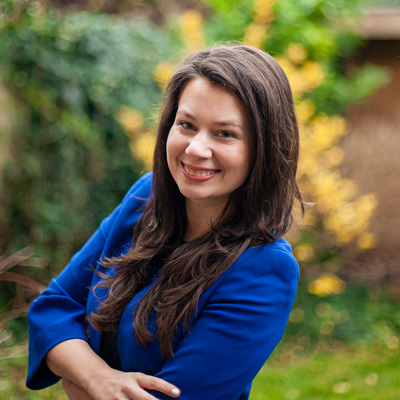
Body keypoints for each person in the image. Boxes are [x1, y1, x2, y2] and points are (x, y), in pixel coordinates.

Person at [26, 45, 303, 400]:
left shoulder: (265, 269)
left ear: (264, 149)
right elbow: (53, 306)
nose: (196, 149)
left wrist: (76, 377)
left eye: (225, 134)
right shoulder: (146, 197)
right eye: (186, 125)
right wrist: (97, 378)